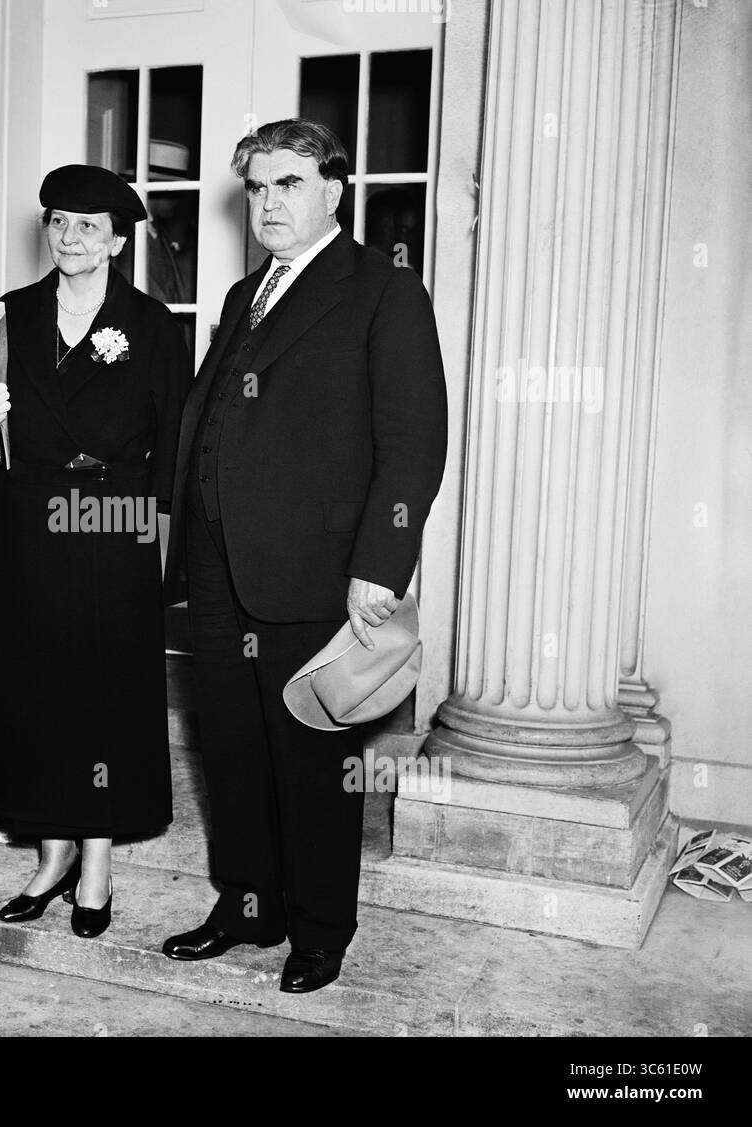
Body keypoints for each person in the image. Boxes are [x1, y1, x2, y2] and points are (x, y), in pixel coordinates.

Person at [160, 120, 447, 991]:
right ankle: (250, 907)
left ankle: (320, 928)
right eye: (255, 187)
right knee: (234, 749)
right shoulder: (246, 292)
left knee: (310, 756)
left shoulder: (381, 289)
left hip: (318, 568)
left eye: (287, 183)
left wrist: (381, 563)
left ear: (333, 189)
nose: (268, 202)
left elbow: (413, 439)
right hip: (216, 566)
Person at [0, 164, 192, 938]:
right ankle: (50, 856)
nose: (70, 237)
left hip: (115, 530)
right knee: (34, 691)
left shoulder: (151, 326)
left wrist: (168, 559)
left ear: (116, 240)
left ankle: (97, 866)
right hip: (28, 532)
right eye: (58, 222)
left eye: (87, 225)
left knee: (103, 694)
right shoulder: (4, 319)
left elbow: (176, 448)